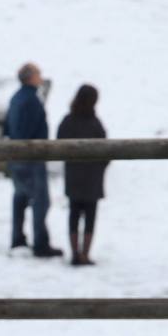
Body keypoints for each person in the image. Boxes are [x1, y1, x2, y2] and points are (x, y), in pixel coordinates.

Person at [3, 62, 62, 258]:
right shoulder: (31, 100)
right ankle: (40, 243)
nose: (41, 77)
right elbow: (26, 130)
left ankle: (17, 238)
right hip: (31, 157)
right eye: (38, 73)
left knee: (20, 197)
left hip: (16, 156)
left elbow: (7, 127)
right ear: (30, 77)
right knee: (40, 201)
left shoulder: (16, 98)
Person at [57, 84, 109, 266]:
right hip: (93, 178)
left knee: (73, 215)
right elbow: (106, 150)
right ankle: (85, 254)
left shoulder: (68, 121)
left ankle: (74, 253)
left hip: (73, 176)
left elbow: (58, 144)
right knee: (90, 216)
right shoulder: (95, 124)